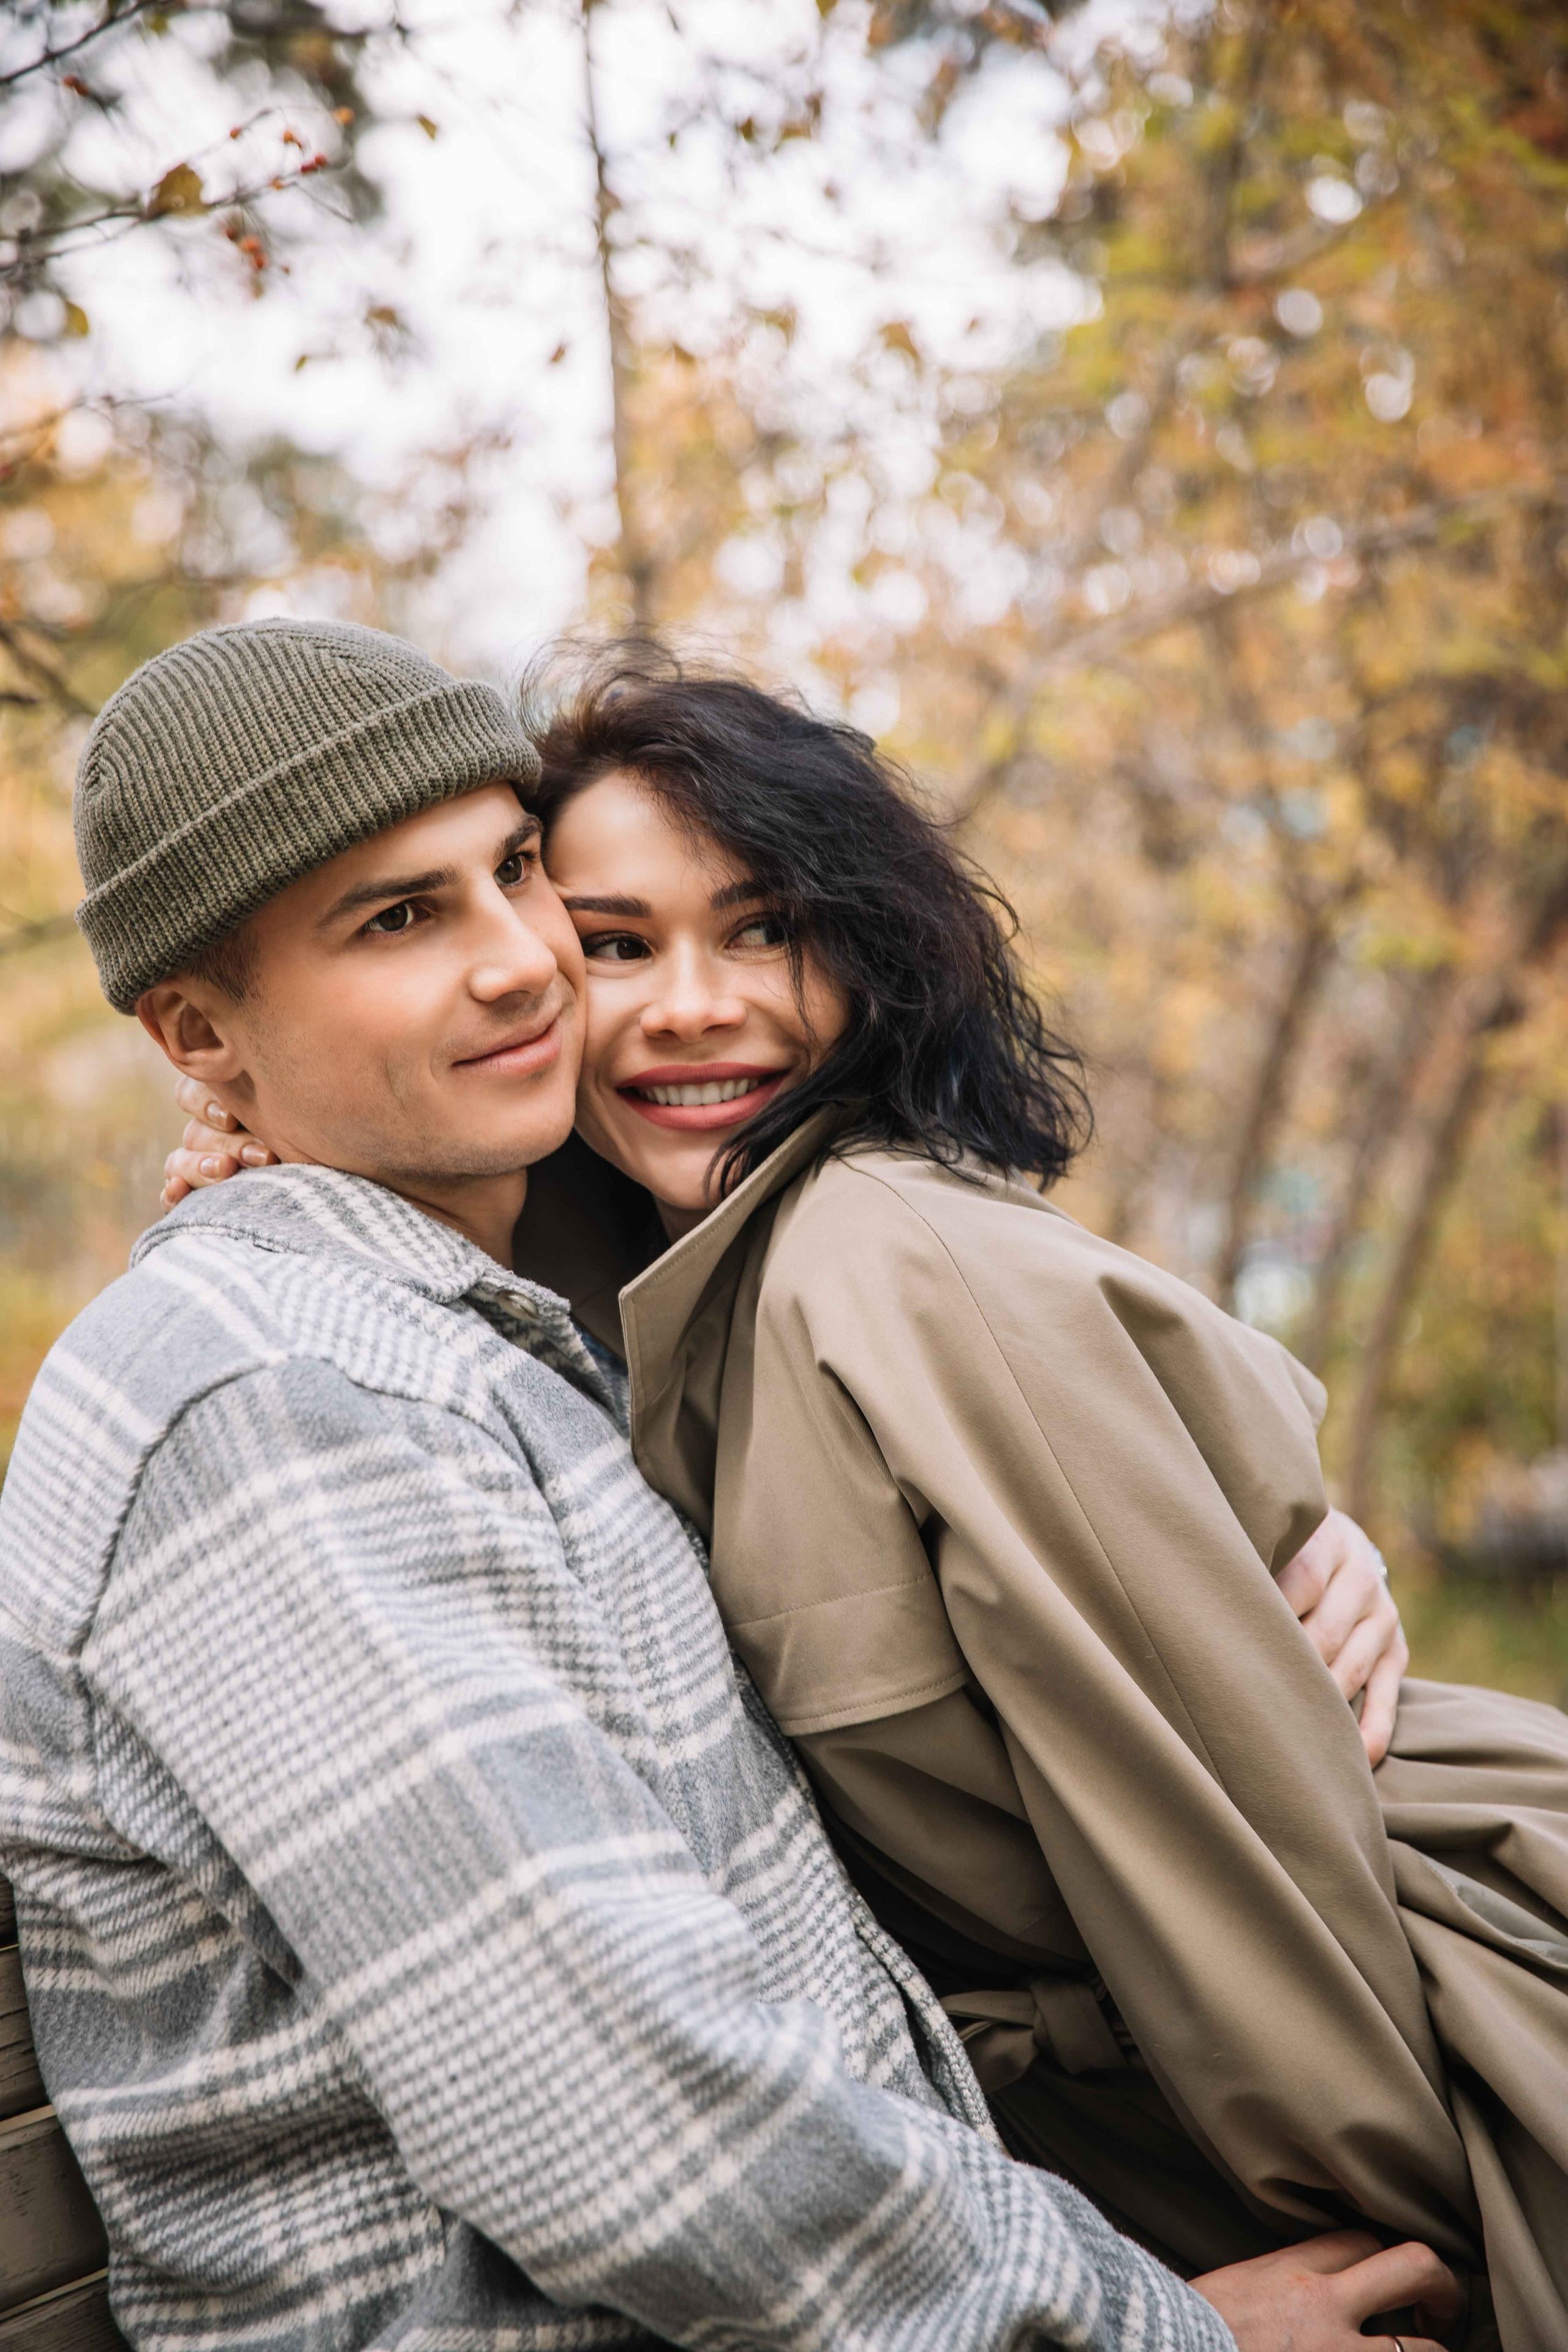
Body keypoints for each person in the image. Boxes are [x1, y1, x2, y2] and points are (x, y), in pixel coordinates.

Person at [0, 619, 1455, 2352]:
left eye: (517, 872)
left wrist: (1227, 1519)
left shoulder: (498, 1335)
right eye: (401, 919)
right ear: (201, 1035)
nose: (527, 964)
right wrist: (1159, 2337)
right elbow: (626, 2120)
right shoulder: (281, 1406)